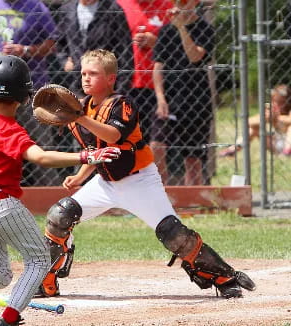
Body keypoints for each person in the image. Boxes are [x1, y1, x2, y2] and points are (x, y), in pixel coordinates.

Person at [36, 49, 256, 301]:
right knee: (60, 215)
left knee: (174, 234)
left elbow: (112, 136)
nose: (86, 78)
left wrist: (80, 118)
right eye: (83, 73)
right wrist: (80, 175)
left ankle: (224, 277)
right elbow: (96, 149)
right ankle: (46, 281)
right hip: (105, 183)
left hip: (139, 180)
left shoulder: (122, 104)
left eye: (93, 74)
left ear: (110, 78)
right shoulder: (82, 111)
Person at [0, 55, 120, 326]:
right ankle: (9, 318)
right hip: (2, 206)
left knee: (0, 278)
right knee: (40, 260)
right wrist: (85, 157)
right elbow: (41, 157)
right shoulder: (11, 130)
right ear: (22, 94)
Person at [0, 0, 62, 186]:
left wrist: (26, 50)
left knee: (39, 140)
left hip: (29, 87)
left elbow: (53, 42)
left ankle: (49, 191)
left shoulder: (36, 6)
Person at [151, 0, 215, 185]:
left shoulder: (205, 29)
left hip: (196, 100)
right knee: (156, 146)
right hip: (169, 99)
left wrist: (181, 28)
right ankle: (161, 195)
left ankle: (191, 204)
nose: (180, 5)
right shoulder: (165, 31)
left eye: (185, 1)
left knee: (193, 158)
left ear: (195, 2)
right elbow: (158, 67)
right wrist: (160, 98)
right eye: (177, 1)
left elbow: (195, 56)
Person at [116, 0, 173, 143]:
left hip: (161, 87)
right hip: (128, 84)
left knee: (158, 142)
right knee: (131, 141)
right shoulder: (119, 5)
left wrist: (157, 42)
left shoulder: (168, 6)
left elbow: (178, 43)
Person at [54, 0, 134, 97]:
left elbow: (125, 50)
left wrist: (120, 92)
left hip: (106, 82)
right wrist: (65, 60)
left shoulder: (112, 9)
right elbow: (59, 42)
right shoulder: (67, 9)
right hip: (77, 81)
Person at [220, 84, 291, 157]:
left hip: (288, 143)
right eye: (276, 99)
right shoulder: (270, 108)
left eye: (282, 100)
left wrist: (276, 118)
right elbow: (248, 122)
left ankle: (287, 152)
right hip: (275, 144)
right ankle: (232, 150)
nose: (278, 103)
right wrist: (265, 118)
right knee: (254, 128)